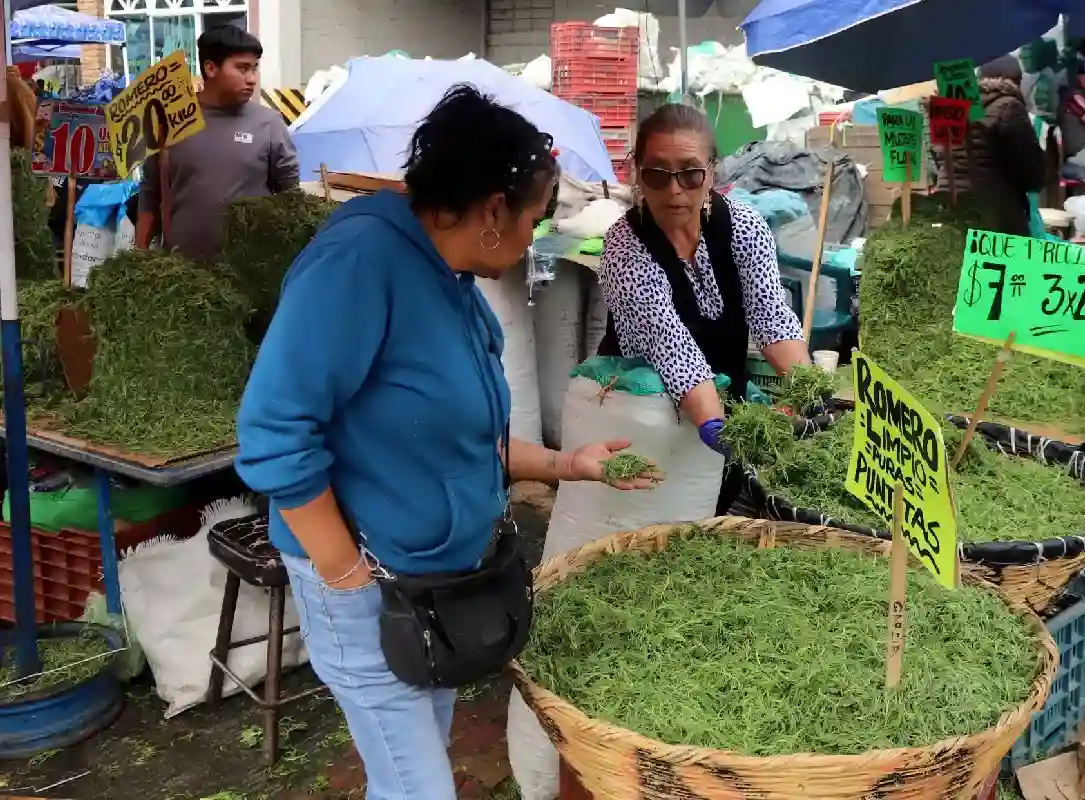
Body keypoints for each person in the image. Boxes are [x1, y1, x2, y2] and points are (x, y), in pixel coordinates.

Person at [234, 85, 655, 800]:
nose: (534, 236)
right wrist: (344, 573)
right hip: (372, 596)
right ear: (493, 210)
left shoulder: (453, 276)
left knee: (405, 776)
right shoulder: (362, 261)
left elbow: (462, 439)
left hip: (436, 598)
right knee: (419, 787)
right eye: (535, 216)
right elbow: (273, 432)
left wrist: (566, 465)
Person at [598, 103, 810, 510]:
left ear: (711, 172)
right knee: (652, 526)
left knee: (714, 517)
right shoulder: (625, 248)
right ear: (637, 173)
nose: (675, 190)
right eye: (657, 174)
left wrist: (806, 391)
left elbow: (772, 318)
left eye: (690, 173)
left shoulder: (744, 227)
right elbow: (673, 349)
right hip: (647, 415)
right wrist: (720, 429)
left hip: (724, 405)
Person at [136, 25, 299, 260]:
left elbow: (292, 198)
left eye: (254, 68)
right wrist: (139, 252)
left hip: (250, 272)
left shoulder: (270, 124)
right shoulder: (169, 123)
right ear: (210, 68)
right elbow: (151, 192)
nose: (252, 79)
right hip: (181, 271)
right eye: (242, 69)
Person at [935, 55, 1046, 236]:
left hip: (948, 206)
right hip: (995, 213)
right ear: (1017, 80)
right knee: (1000, 264)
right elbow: (1032, 174)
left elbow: (939, 160)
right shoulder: (1009, 106)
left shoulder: (949, 105)